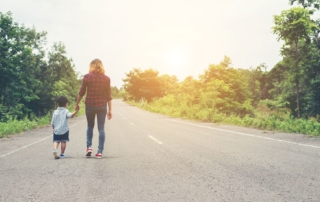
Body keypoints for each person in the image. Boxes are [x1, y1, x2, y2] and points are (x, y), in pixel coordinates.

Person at [75, 59, 112, 159]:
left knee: (90, 126)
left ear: (91, 66)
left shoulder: (87, 77)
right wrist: (110, 110)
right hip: (102, 106)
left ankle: (89, 147)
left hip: (90, 105)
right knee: (101, 128)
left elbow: (81, 92)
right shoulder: (106, 79)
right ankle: (100, 152)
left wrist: (76, 103)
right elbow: (109, 96)